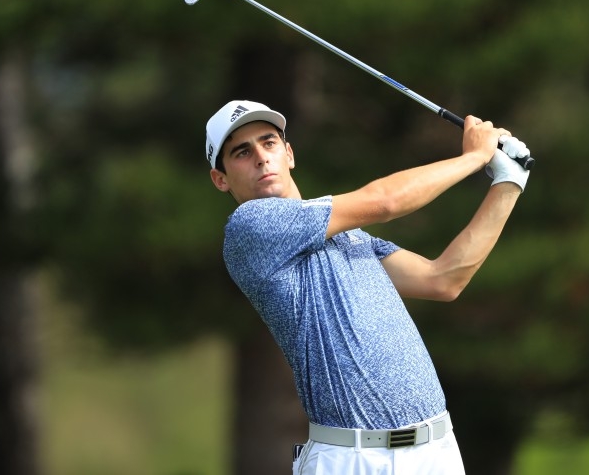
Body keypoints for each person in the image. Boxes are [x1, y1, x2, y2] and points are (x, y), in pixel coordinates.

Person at [206, 99, 530, 474]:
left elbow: (443, 278)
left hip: (435, 451)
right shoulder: (250, 227)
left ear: (289, 154)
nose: (261, 158)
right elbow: (386, 201)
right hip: (353, 459)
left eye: (269, 143)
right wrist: (475, 157)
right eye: (242, 152)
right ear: (221, 179)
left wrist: (508, 182)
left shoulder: (348, 237)